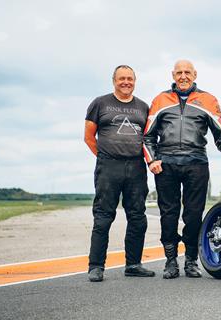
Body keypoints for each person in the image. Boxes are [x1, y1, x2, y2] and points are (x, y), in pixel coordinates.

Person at [144, 60, 221, 279]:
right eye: (179, 73)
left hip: (196, 162)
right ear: (173, 75)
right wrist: (152, 160)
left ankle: (190, 260)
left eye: (187, 72)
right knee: (168, 214)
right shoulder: (160, 100)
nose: (183, 76)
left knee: (193, 214)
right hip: (166, 163)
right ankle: (170, 261)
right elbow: (148, 135)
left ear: (195, 74)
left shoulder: (208, 100)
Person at [84, 65, 155, 282]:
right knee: (104, 217)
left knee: (137, 217)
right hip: (108, 167)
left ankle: (133, 264)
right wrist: (105, 157)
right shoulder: (100, 103)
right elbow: (89, 137)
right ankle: (96, 266)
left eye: (130, 78)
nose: (126, 82)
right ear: (114, 80)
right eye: (121, 78)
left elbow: (149, 138)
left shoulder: (143, 107)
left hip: (136, 167)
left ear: (135, 81)